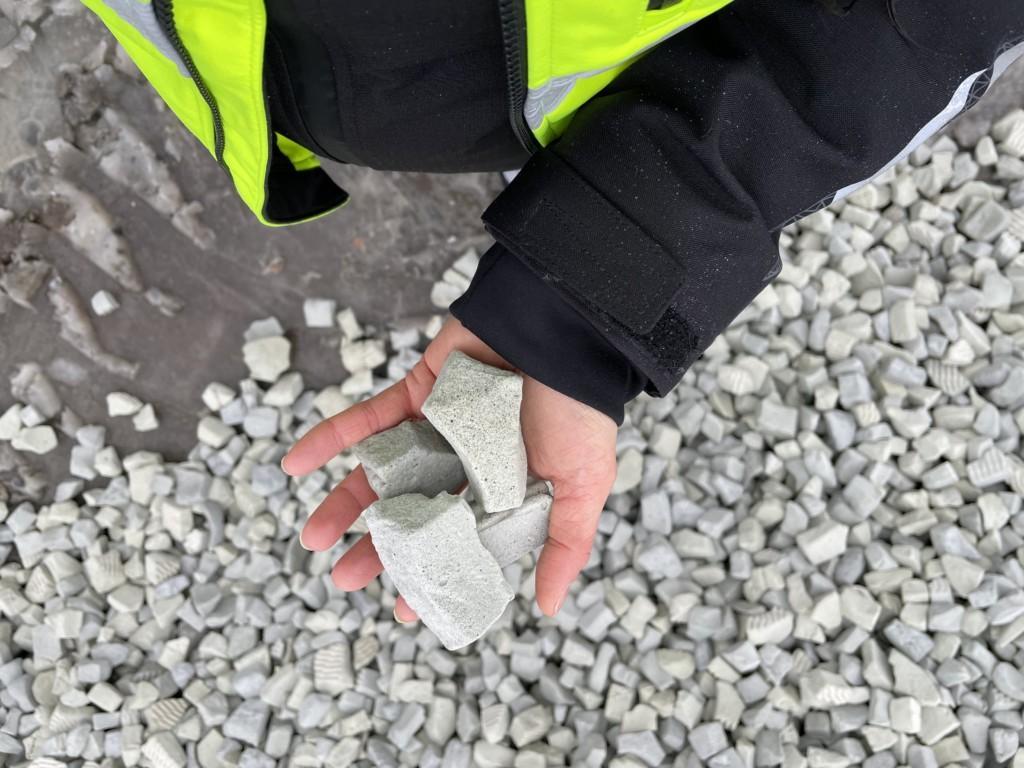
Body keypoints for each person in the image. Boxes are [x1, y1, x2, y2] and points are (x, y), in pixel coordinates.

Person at [83, 0, 1022, 621]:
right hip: (338, 77)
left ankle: (577, 167)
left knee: (577, 129)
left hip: (666, 65)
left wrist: (578, 292)